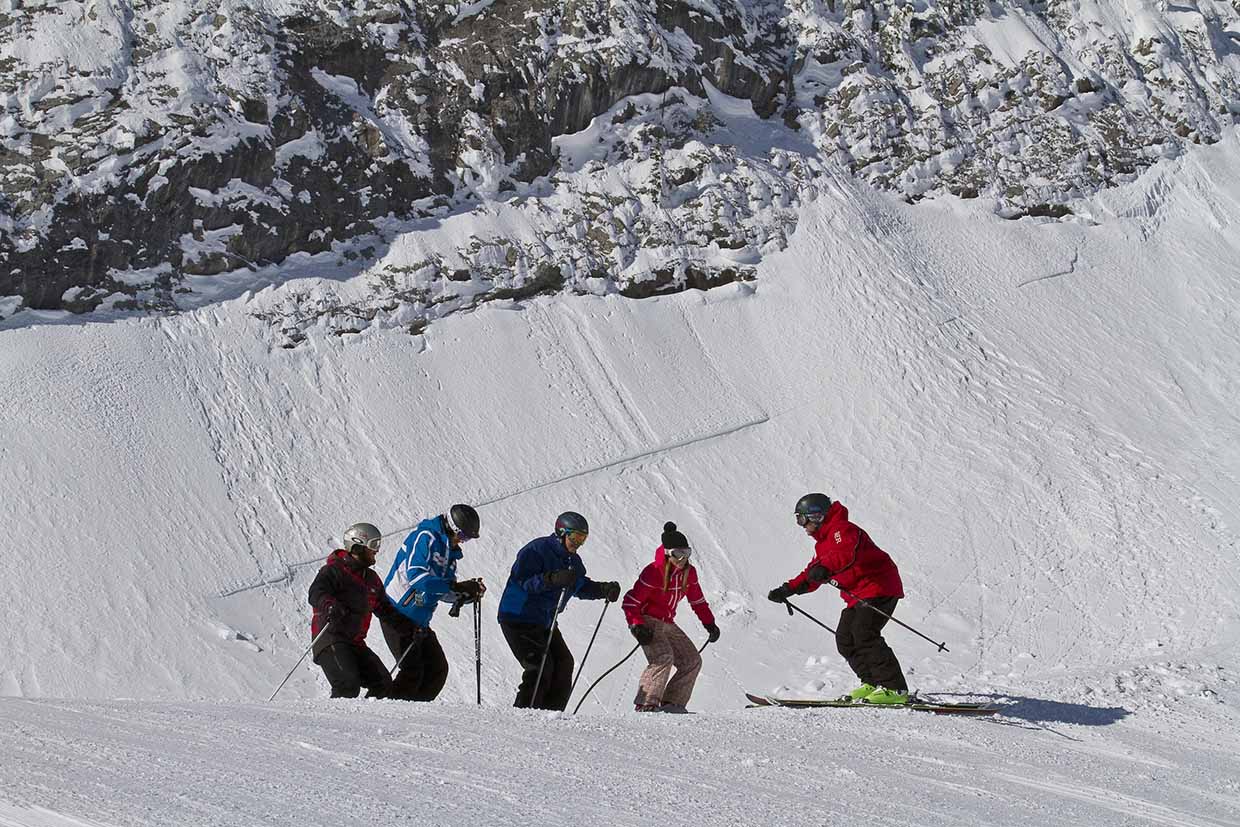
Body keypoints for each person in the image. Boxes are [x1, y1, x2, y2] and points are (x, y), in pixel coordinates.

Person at [767, 493, 909, 705]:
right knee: (845, 639)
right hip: (859, 595)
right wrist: (788, 589)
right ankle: (871, 682)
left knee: (864, 634)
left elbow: (844, 553)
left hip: (879, 587)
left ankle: (894, 688)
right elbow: (812, 573)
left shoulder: (842, 530)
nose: (801, 526)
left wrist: (825, 568)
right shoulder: (823, 543)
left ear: (817, 516)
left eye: (802, 519)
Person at [497, 511, 622, 710]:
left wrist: (602, 589)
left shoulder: (574, 561)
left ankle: (552, 716)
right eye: (575, 536)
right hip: (518, 618)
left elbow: (579, 585)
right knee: (539, 667)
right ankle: (523, 715)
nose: (578, 543)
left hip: (545, 620)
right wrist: (551, 579)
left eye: (583, 538)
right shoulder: (536, 550)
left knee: (564, 663)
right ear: (561, 532)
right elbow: (522, 581)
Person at [380, 504, 485, 701]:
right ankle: (390, 713)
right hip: (396, 612)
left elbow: (443, 591)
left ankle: (416, 713)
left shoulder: (451, 557)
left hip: (420, 620)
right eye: (463, 536)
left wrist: (466, 593)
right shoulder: (426, 537)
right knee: (412, 670)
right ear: (452, 528)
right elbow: (417, 576)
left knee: (437, 669)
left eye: (467, 539)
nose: (463, 542)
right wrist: (455, 587)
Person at [308, 521, 419, 699]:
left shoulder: (371, 579)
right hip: (331, 637)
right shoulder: (334, 570)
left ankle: (367, 724)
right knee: (347, 684)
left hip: (355, 643)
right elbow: (316, 592)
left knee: (383, 684)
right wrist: (330, 605)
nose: (377, 550)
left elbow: (385, 610)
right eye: (373, 545)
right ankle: (333, 726)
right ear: (358, 547)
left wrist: (411, 629)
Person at [622, 522, 720, 713]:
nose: (682, 558)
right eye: (677, 553)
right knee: (663, 657)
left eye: (687, 552)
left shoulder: (688, 573)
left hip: (667, 622)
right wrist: (636, 625)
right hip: (647, 620)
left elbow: (698, 601)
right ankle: (646, 703)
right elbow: (630, 602)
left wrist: (710, 623)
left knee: (692, 660)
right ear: (667, 553)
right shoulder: (654, 572)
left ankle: (672, 704)